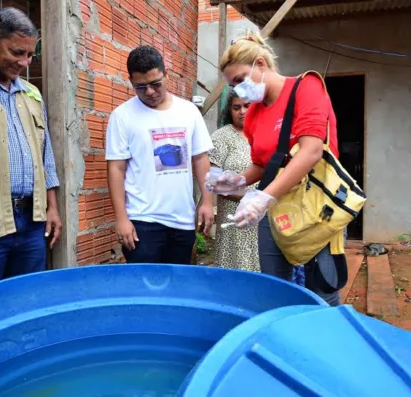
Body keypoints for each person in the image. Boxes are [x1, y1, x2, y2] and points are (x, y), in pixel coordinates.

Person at [206, 31, 340, 305]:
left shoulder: (306, 88)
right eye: (234, 85)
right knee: (274, 287)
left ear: (261, 65)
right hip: (277, 210)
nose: (240, 89)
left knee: (321, 290)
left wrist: (264, 197)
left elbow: (311, 151)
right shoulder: (255, 111)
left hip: (315, 206)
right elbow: (261, 164)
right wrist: (237, 181)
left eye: (241, 79)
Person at [0, 8, 62, 285]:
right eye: (17, 52)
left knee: (27, 299)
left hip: (33, 221)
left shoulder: (32, 93)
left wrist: (52, 208)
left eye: (30, 55)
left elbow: (47, 157)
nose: (24, 62)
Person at [106, 45, 214, 264]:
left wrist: (207, 201)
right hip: (141, 221)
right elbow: (116, 168)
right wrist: (121, 219)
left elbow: (200, 159)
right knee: (144, 289)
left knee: (176, 290)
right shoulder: (122, 116)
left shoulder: (188, 111)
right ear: (131, 82)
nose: (150, 92)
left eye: (156, 84)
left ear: (167, 74)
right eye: (141, 87)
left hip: (182, 220)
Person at [209, 91, 259, 272]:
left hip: (264, 216)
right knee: (236, 269)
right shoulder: (221, 137)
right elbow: (214, 181)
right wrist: (246, 198)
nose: (242, 111)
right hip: (234, 217)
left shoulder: (265, 135)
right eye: (236, 107)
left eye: (247, 106)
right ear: (229, 110)